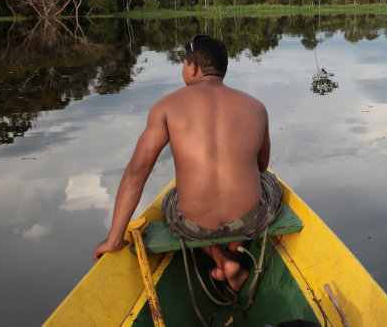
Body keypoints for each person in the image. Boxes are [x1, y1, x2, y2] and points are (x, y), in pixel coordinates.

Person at [93, 35, 282, 292]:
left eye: (183, 63)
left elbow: (137, 171)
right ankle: (233, 251)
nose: (184, 68)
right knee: (270, 181)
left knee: (171, 199)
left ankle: (220, 258)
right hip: (250, 221)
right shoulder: (257, 107)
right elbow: (261, 167)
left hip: (194, 228)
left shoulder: (166, 106)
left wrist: (114, 239)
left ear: (193, 67)